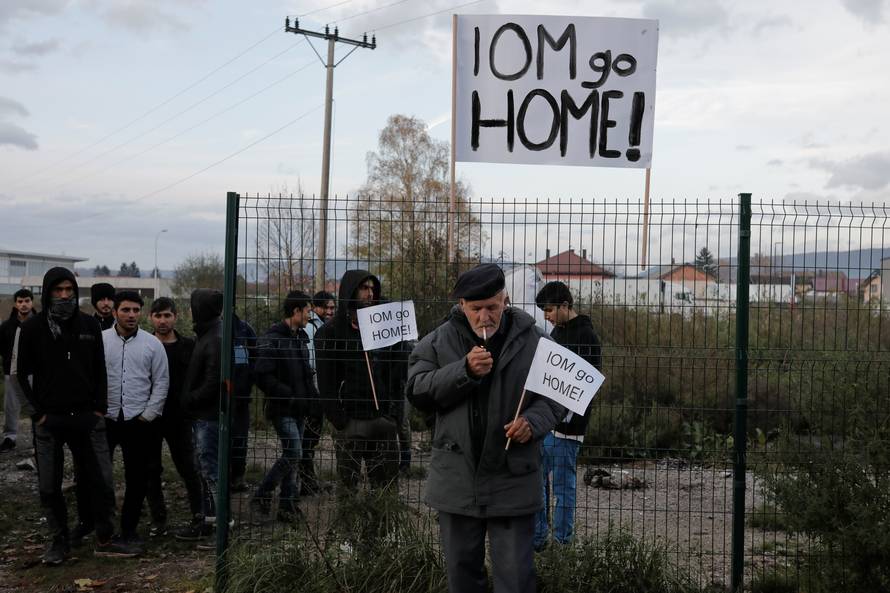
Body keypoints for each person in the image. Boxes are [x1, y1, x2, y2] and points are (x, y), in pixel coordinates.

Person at [406, 263, 564, 593]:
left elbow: (557, 397)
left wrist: (533, 422)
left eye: (492, 307)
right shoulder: (438, 342)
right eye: (475, 309)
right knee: (462, 576)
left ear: (505, 300)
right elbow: (417, 391)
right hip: (457, 480)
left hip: (512, 477)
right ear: (462, 306)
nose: (484, 316)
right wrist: (463, 370)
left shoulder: (534, 340)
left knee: (516, 578)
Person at [14, 268, 137, 564]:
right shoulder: (32, 329)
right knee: (48, 485)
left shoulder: (88, 326)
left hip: (86, 418)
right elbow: (18, 376)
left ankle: (105, 537)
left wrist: (98, 409)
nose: (65, 295)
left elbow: (99, 372)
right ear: (47, 292)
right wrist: (37, 414)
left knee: (102, 481)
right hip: (50, 422)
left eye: (69, 289)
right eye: (58, 290)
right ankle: (59, 542)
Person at [315, 271, 404, 491]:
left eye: (373, 288)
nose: (370, 293)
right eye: (364, 288)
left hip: (382, 419)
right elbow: (325, 382)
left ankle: (383, 526)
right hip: (350, 421)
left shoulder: (383, 325)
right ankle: (349, 526)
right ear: (351, 291)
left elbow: (395, 371)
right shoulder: (331, 332)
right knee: (348, 489)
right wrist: (339, 419)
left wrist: (392, 413)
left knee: (386, 489)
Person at [533, 281, 603, 551]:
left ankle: (562, 544)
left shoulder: (586, 336)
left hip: (569, 426)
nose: (546, 316)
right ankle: (539, 539)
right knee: (537, 482)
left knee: (563, 487)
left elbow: (591, 381)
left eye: (549, 310)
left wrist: (571, 416)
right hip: (546, 424)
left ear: (565, 305)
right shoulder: (556, 333)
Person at [103, 291, 169, 548]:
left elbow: (161, 382)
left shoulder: (153, 344)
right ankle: (102, 527)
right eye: (126, 310)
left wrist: (148, 415)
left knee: (137, 477)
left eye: (135, 310)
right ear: (115, 311)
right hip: (106, 418)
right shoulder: (101, 341)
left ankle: (129, 528)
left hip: (138, 420)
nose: (131, 315)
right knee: (98, 474)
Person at [252, 290, 318, 522]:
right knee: (294, 452)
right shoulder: (272, 339)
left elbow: (306, 373)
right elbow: (262, 376)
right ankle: (263, 493)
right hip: (283, 408)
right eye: (308, 311)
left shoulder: (299, 337)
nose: (310, 315)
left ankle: (287, 505)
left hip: (299, 407)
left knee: (294, 455)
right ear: (296, 311)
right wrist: (288, 396)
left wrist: (312, 399)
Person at [144, 297, 208, 541]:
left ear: (175, 317)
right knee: (151, 470)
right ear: (151, 317)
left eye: (167, 316)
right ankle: (158, 520)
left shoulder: (189, 346)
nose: (162, 321)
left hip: (180, 418)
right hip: (150, 417)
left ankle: (199, 515)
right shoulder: (145, 346)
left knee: (189, 467)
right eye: (158, 316)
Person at [182, 288, 223, 527]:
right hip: (203, 415)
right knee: (205, 468)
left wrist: (189, 399)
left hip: (207, 416)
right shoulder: (207, 334)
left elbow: (212, 382)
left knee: (210, 470)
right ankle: (210, 519)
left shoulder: (214, 339)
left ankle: (221, 522)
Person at [298, 290, 333, 495]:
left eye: (332, 307)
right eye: (326, 307)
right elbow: (311, 362)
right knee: (309, 438)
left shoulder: (321, 326)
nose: (330, 311)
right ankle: (306, 482)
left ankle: (308, 480)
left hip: (318, 390)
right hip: (313, 392)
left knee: (311, 439)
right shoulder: (312, 330)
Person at [1, 289, 36, 452]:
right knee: (10, 406)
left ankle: (39, 436)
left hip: (35, 373)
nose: (24, 304)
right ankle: (10, 437)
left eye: (27, 301)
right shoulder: (7, 326)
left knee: (37, 405)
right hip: (11, 373)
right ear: (16, 304)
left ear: (32, 302)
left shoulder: (40, 324)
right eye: (20, 301)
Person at [229, 313, 256, 493]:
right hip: (218, 395)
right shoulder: (211, 328)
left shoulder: (244, 329)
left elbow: (255, 356)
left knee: (240, 438)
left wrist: (248, 380)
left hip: (241, 396)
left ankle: (238, 476)